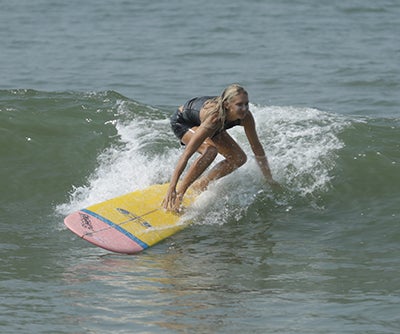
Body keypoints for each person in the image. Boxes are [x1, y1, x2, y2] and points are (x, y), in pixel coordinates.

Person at [162, 84, 279, 212]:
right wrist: (172, 188)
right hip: (184, 122)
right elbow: (186, 154)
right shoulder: (214, 118)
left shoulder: (246, 117)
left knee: (238, 158)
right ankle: (179, 195)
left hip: (214, 126)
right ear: (227, 105)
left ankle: (201, 184)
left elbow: (256, 147)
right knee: (210, 151)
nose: (244, 108)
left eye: (246, 104)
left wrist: (269, 179)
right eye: (240, 105)